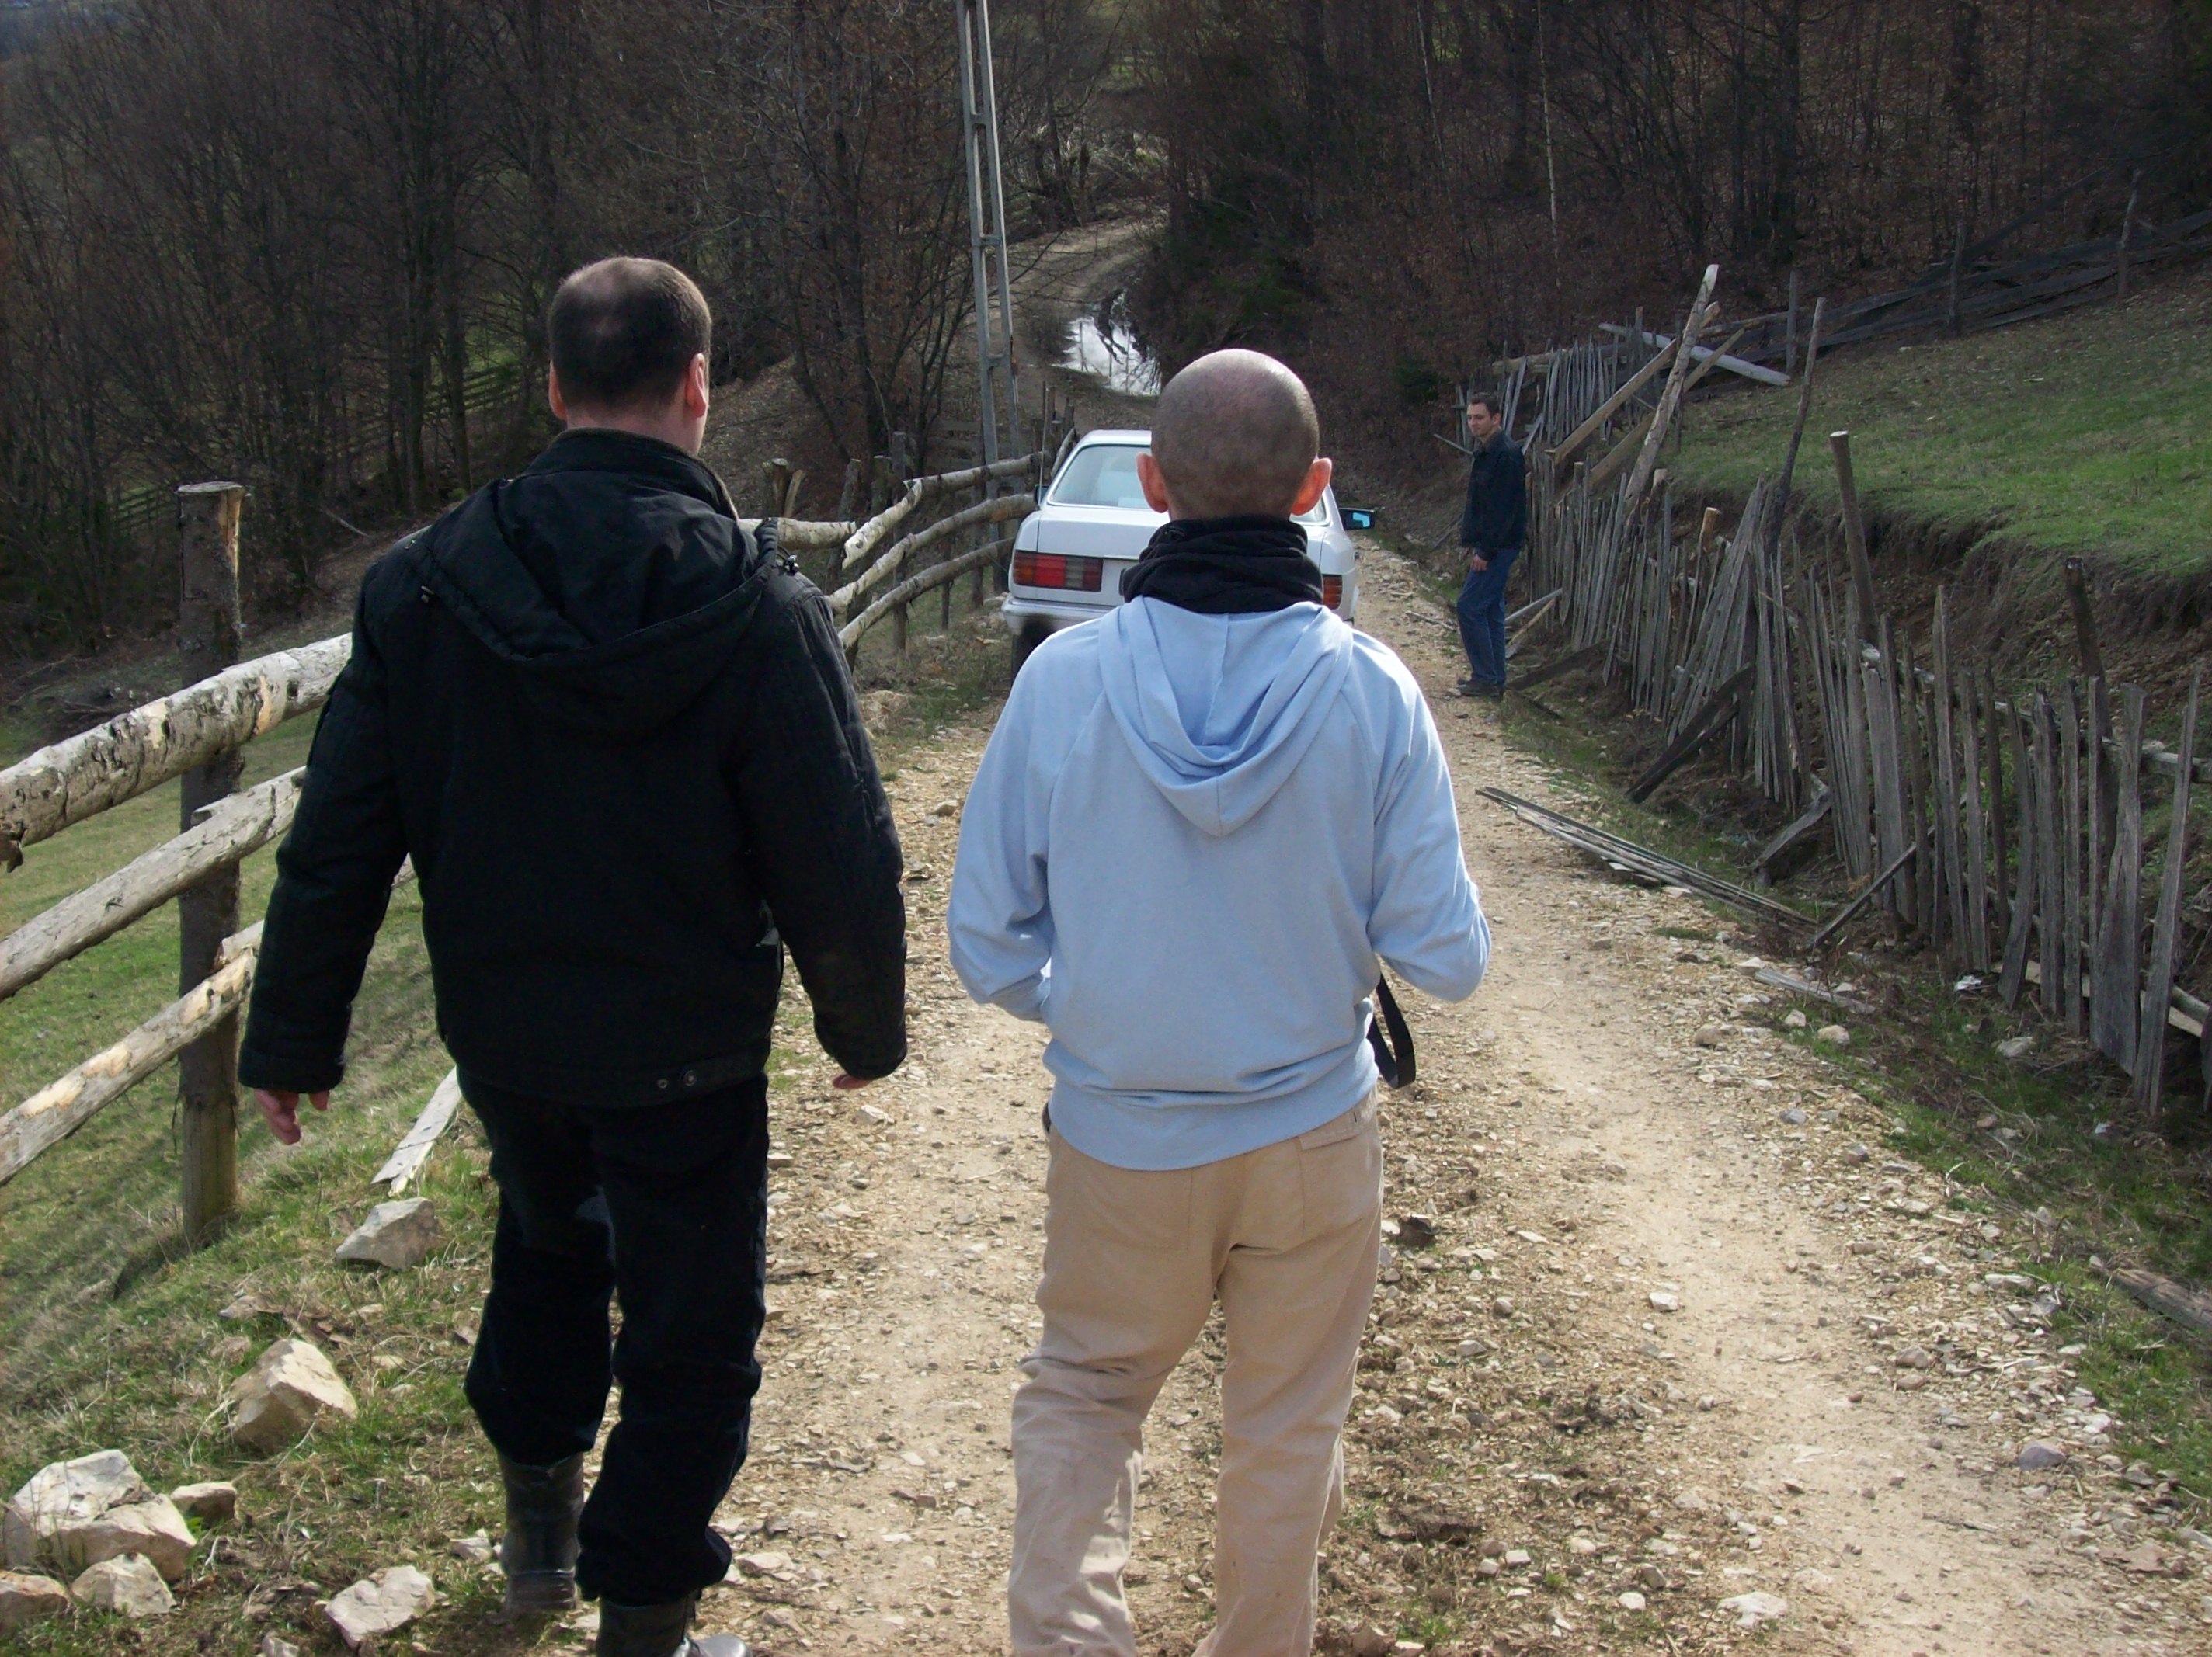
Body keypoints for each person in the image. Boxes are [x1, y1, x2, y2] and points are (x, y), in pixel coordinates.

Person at [237, 257, 908, 1657]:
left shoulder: (421, 588)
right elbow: (835, 845)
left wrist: (293, 1037)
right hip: (687, 1054)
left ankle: (541, 1528)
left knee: (547, 1247)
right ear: (698, 388)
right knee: (691, 1332)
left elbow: (339, 833)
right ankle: (641, 1620)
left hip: (512, 1045)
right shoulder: (759, 608)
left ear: (551, 388)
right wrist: (862, 1027)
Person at [948, 349, 1490, 1657]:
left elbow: (985, 941)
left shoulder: (1063, 681)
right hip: (1308, 1134)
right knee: (1286, 1425)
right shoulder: (1373, 690)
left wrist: (1100, 1007)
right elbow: (1448, 957)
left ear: (1152, 485)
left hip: (1120, 1134)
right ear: (1313, 488)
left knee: (1087, 1395)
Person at [1454, 390, 1527, 699]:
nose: (1473, 423)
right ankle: (1494, 677)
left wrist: (1485, 551)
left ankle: (1485, 677)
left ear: (1496, 418)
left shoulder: (1505, 455)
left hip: (1499, 546)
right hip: (1494, 543)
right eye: (1470, 417)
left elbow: (1503, 510)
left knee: (1469, 607)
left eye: (1479, 418)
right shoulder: (1486, 452)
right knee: (1492, 610)